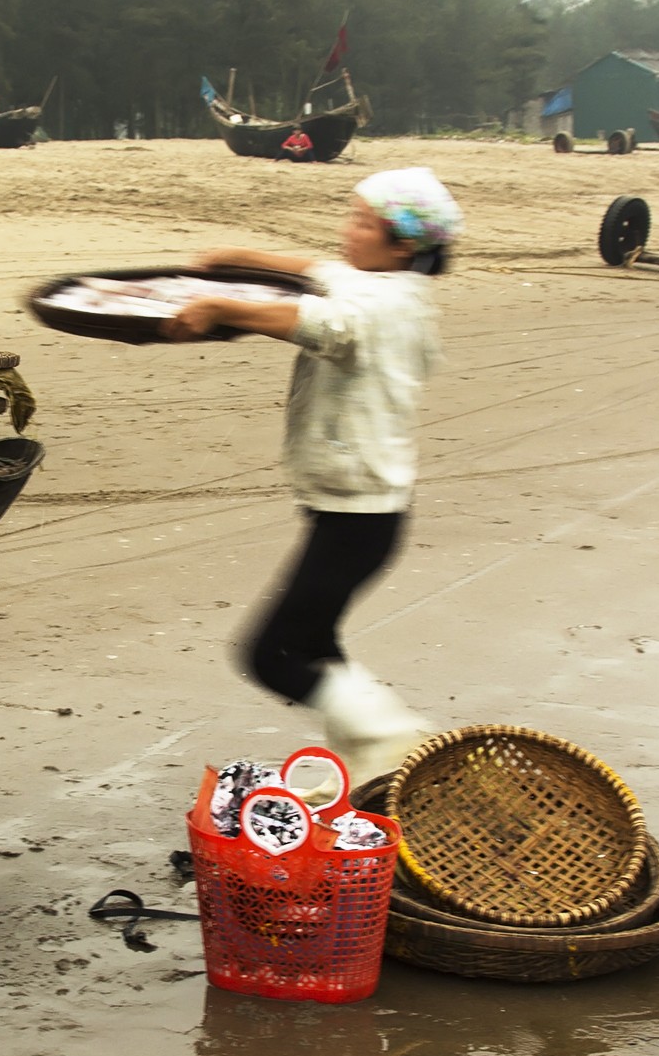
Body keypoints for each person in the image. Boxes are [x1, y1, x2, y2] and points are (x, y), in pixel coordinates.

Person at [162, 167, 463, 784]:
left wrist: (223, 306)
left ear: (403, 244)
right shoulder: (382, 282)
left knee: (272, 655)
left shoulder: (383, 305)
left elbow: (320, 322)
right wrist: (241, 257)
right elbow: (316, 271)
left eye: (361, 222)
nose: (345, 230)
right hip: (358, 510)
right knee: (316, 645)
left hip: (359, 517)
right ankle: (367, 767)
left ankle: (395, 740)